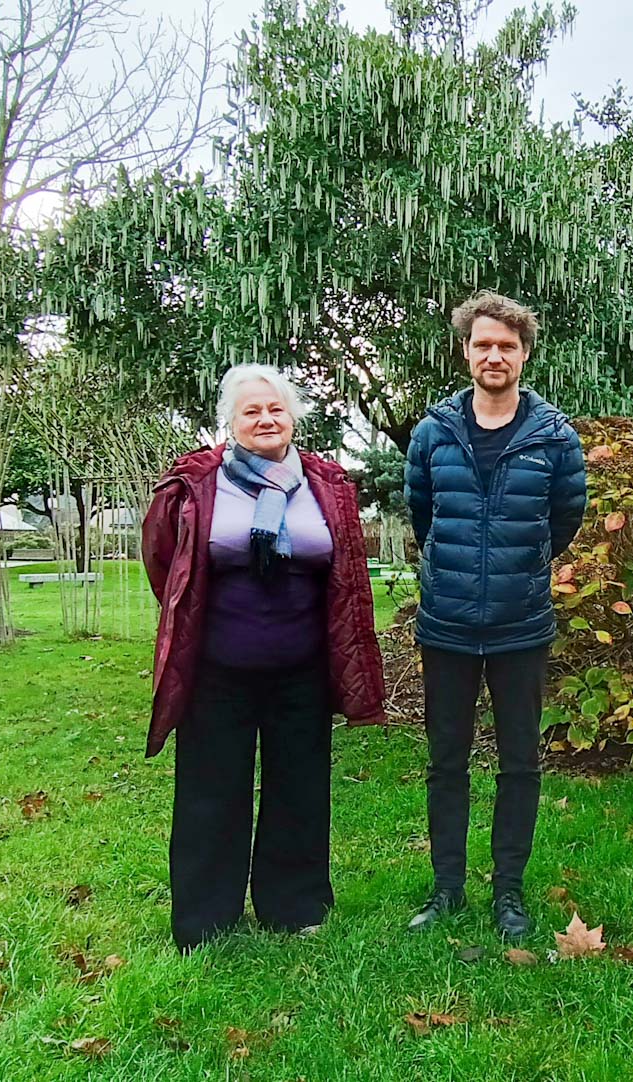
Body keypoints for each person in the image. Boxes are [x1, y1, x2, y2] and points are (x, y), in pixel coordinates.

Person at [142, 364, 386, 951]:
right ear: (230, 421)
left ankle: (294, 905)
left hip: (301, 669)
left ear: (293, 418)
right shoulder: (194, 483)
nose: (265, 420)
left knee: (300, 788)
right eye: (251, 411)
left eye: (275, 409)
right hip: (216, 669)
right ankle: (205, 920)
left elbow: (344, 568)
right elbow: (162, 560)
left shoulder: (327, 484)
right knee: (209, 790)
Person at [403, 291, 587, 942]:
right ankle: (447, 888)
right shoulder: (433, 433)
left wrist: (520, 566)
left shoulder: (555, 437)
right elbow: (422, 513)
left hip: (520, 625)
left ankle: (509, 892)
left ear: (525, 354)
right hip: (447, 624)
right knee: (446, 762)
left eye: (507, 345)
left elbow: (565, 518)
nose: (494, 355)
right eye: (483, 344)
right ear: (465, 351)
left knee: (519, 763)